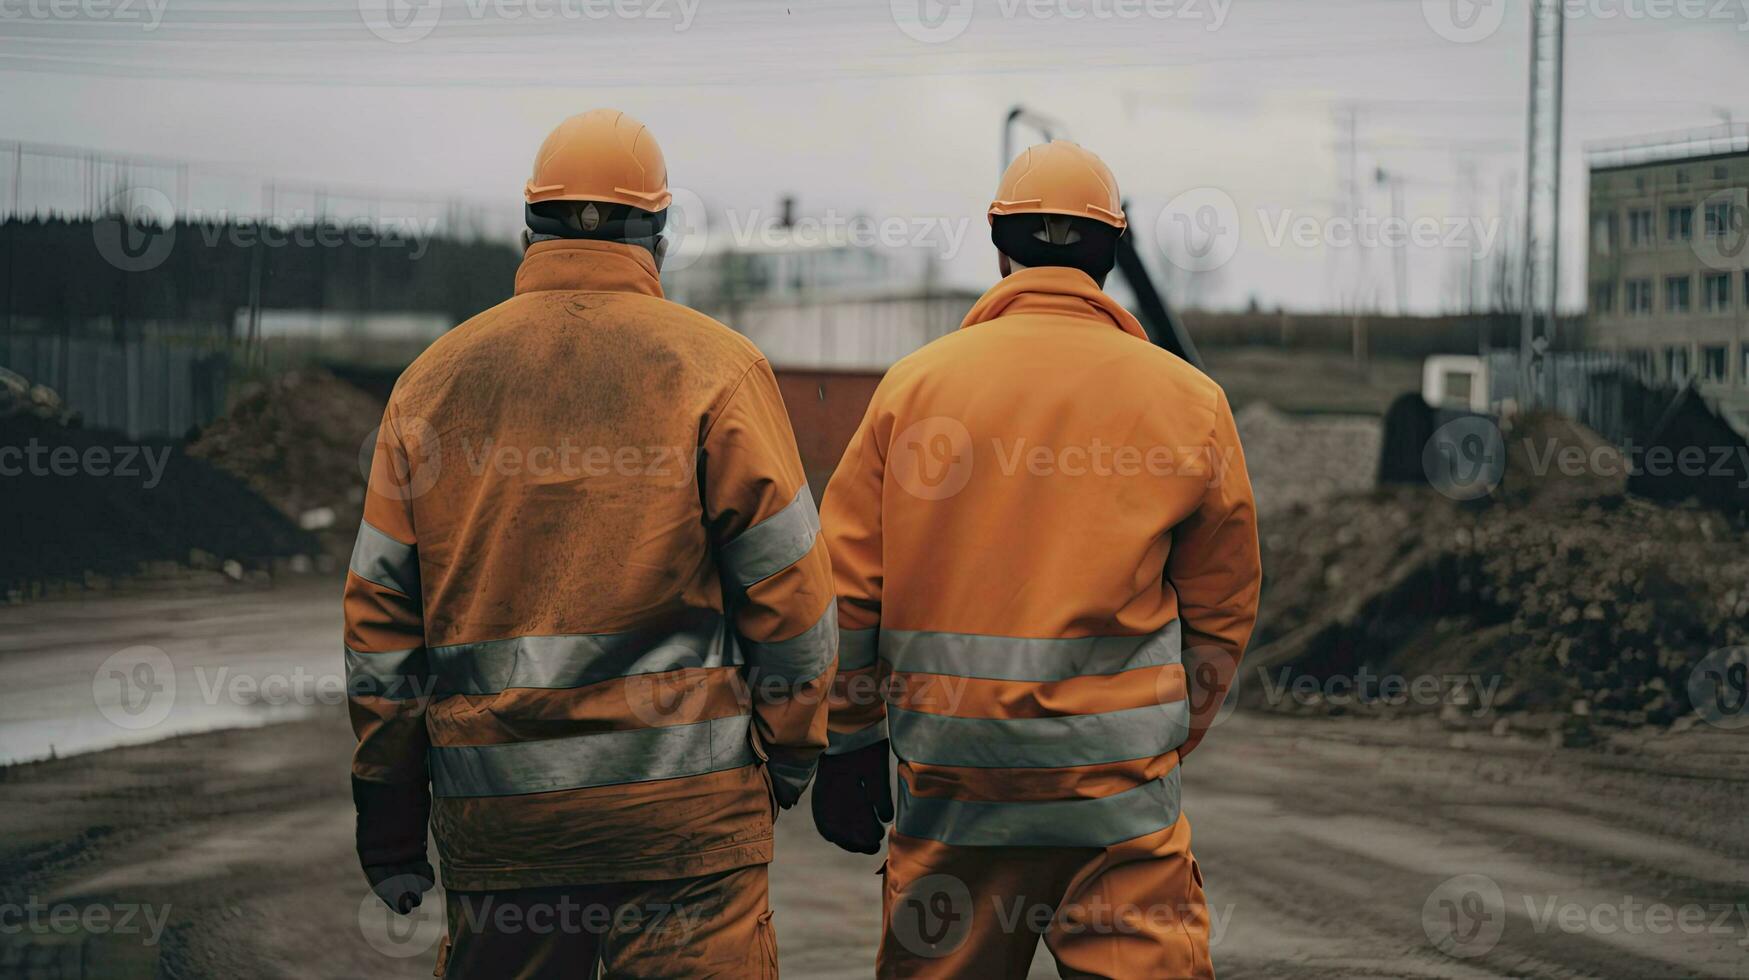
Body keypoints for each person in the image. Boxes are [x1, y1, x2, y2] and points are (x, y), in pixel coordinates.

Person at [343, 108, 836, 978]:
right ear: (659, 233)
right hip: (683, 824)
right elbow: (790, 591)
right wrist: (792, 750)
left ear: (527, 227)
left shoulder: (430, 383)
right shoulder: (718, 370)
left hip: (504, 829)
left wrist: (388, 815)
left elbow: (381, 623)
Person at [811, 140, 1261, 978]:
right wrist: (1162, 734)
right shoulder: (1190, 402)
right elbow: (1223, 602)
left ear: (998, 245)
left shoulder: (913, 389)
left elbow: (847, 590)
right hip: (1117, 801)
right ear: (1113, 256)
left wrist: (846, 741)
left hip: (954, 796)